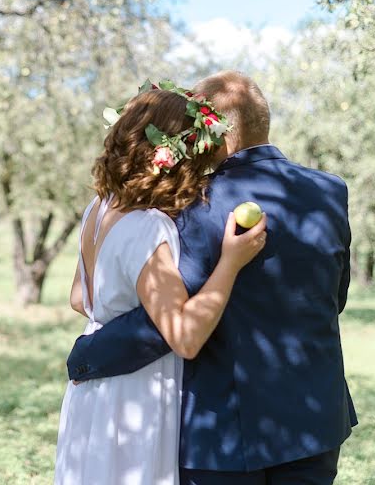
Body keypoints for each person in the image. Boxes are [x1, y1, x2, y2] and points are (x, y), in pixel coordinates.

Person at [66, 71, 357, 485]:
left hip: (222, 430)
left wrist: (87, 356)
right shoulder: (328, 191)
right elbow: (335, 294)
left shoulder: (190, 200)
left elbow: (162, 325)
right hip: (316, 417)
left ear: (214, 132)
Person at [54, 83, 268, 485]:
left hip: (93, 389)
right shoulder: (147, 226)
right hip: (133, 395)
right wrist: (231, 261)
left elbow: (80, 299)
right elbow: (185, 337)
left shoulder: (98, 209)